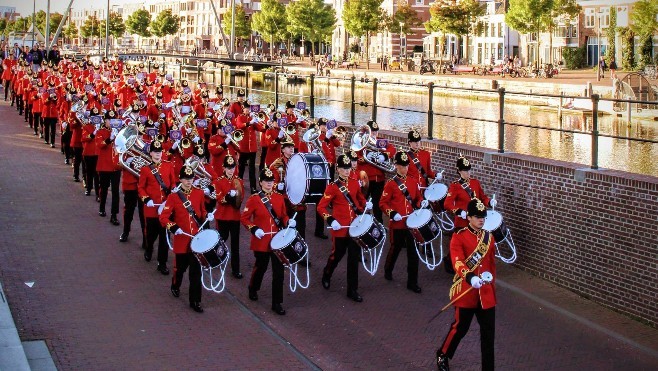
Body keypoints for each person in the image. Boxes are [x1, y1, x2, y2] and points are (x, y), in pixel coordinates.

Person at [436, 198, 496, 371]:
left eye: (483, 216)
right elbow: (457, 262)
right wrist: (470, 277)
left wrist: (490, 282)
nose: (481, 219)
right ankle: (443, 354)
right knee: (460, 329)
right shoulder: (459, 236)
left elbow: (491, 264)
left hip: (485, 293)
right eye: (477, 216)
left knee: (488, 335)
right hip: (467, 292)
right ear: (469, 217)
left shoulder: (488, 237)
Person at [317, 154, 370, 302]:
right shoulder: (332, 187)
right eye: (344, 169)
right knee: (336, 256)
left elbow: (359, 198)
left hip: (354, 228)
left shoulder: (354, 183)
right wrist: (331, 219)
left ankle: (352, 290)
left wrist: (366, 204)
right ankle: (327, 273)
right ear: (338, 169)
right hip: (340, 228)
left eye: (348, 168)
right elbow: (321, 207)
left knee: (353, 259)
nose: (347, 171)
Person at [240, 168, 293, 315]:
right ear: (260, 182)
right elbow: (244, 218)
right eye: (266, 181)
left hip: (276, 240)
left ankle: (277, 302)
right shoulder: (254, 199)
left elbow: (282, 216)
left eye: (271, 181)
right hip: (262, 240)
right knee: (261, 267)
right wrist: (254, 229)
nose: (269, 184)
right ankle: (253, 287)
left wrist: (288, 221)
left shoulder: (278, 197)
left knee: (278, 272)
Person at [160, 165, 211, 313]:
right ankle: (175, 285)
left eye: (191, 179)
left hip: (196, 240)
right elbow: (163, 217)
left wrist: (207, 216)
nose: (189, 182)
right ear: (180, 179)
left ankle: (195, 300)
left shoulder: (199, 193)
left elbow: (201, 212)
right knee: (180, 269)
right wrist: (174, 227)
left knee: (196, 272)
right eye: (186, 179)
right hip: (182, 240)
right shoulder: (173, 197)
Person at [379, 151, 428, 293]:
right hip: (398, 224)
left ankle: (412, 282)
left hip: (411, 223)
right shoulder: (391, 184)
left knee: (414, 253)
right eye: (402, 166)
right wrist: (392, 213)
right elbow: (383, 203)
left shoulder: (413, 181)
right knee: (395, 248)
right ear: (396, 166)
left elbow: (418, 198)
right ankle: (388, 269)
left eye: (406, 166)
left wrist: (421, 203)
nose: (405, 168)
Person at [443, 155, 496, 274]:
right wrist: (459, 211)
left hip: (475, 220)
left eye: (469, 170)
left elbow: (482, 197)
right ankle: (450, 261)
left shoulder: (475, 182)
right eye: (465, 171)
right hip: (463, 221)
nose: (468, 173)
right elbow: (447, 204)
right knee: (459, 244)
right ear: (460, 171)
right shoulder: (455, 186)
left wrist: (489, 202)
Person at [139, 139, 177, 275]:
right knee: (151, 234)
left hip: (165, 209)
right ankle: (149, 249)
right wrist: (146, 199)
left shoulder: (168, 165)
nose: (158, 154)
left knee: (164, 237)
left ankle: (162, 263)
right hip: (151, 208)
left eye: (159, 152)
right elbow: (141, 188)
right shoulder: (145, 169)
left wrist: (173, 190)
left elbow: (173, 183)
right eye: (155, 152)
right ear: (150, 153)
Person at [212, 155, 245, 279]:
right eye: (228, 167)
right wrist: (229, 197)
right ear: (223, 168)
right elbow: (219, 199)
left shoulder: (239, 181)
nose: (231, 170)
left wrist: (234, 198)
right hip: (223, 217)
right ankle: (215, 258)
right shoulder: (219, 181)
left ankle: (236, 269)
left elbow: (241, 198)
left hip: (235, 217)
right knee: (222, 239)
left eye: (232, 167)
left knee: (235, 244)